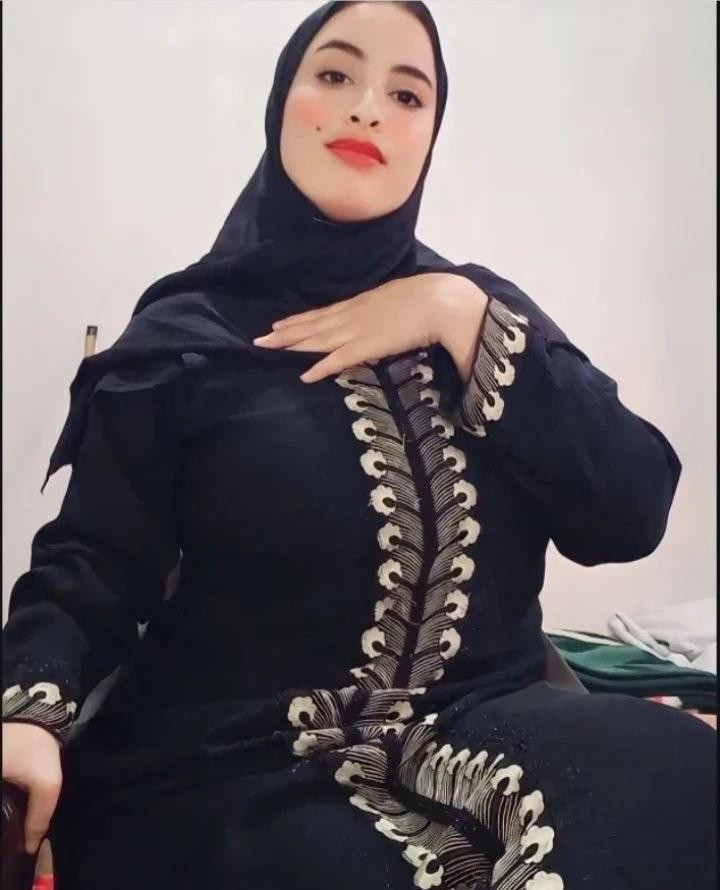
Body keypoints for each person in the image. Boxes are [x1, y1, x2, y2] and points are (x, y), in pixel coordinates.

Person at [2, 2, 715, 888]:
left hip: (485, 719)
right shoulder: (184, 339)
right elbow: (94, 562)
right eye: (335, 74)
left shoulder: (482, 314)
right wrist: (29, 706)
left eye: (407, 95)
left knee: (687, 776)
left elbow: (629, 512)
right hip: (241, 759)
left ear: (431, 136)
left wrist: (460, 316)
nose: (367, 109)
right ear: (281, 103)